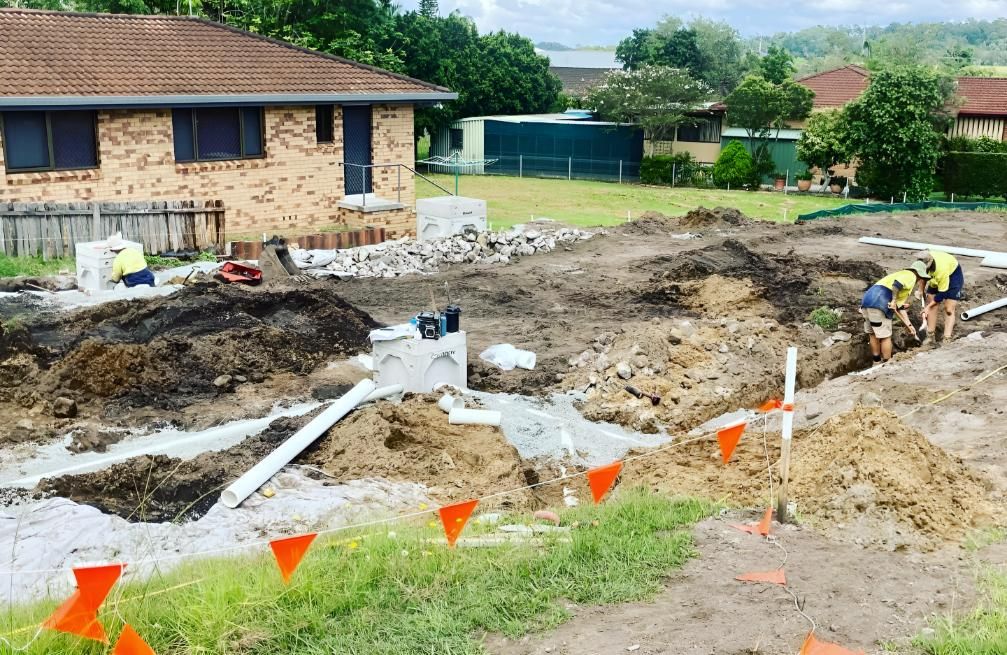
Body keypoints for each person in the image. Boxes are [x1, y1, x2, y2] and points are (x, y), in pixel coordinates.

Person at [860, 261, 930, 364]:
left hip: (867, 302)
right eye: (921, 277)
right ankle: (887, 363)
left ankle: (876, 362)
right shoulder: (910, 276)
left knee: (873, 333)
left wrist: (909, 325)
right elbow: (896, 285)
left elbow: (900, 307)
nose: (920, 280)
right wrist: (893, 300)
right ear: (919, 274)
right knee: (885, 336)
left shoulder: (899, 274)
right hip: (880, 302)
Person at [915, 249, 964, 346]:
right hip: (937, 275)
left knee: (949, 308)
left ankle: (947, 338)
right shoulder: (921, 261)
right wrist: (920, 290)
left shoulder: (941, 270)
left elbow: (941, 294)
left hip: (952, 275)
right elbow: (922, 276)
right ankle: (930, 336)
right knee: (931, 302)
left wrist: (927, 308)